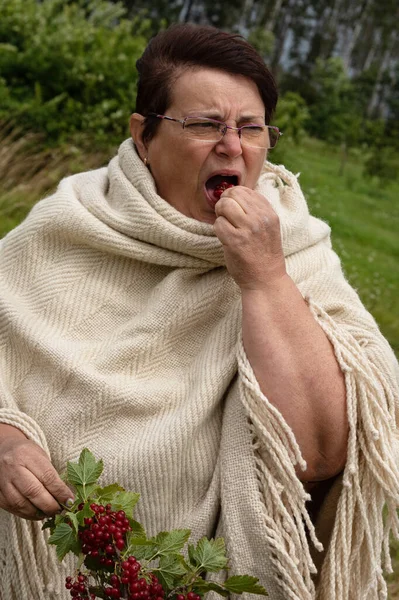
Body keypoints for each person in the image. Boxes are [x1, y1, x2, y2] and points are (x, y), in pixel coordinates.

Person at [0, 23, 398, 600]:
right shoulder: (65, 231)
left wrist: (264, 278)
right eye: (206, 124)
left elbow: (316, 457)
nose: (233, 147)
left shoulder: (295, 246)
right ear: (143, 136)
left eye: (252, 128)